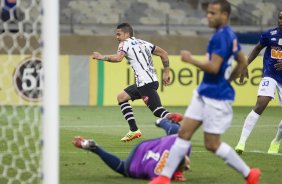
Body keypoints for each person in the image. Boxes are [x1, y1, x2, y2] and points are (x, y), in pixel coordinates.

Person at [149, 1, 261, 184]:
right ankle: (164, 177)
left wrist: (190, 60)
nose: (209, 16)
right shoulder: (228, 35)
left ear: (224, 15)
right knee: (183, 133)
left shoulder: (221, 37)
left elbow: (214, 67)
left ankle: (249, 174)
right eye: (208, 12)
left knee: (212, 144)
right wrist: (234, 76)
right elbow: (241, 59)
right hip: (203, 93)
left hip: (216, 98)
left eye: (213, 13)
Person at [92, 23, 182, 142]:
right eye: (116, 35)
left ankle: (181, 131)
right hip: (149, 81)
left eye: (119, 34)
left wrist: (101, 57)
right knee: (121, 97)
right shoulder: (144, 43)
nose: (117, 37)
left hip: (145, 83)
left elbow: (118, 58)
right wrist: (166, 73)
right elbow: (164, 53)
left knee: (158, 111)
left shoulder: (124, 43)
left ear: (127, 34)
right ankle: (134, 130)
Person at [72, 118, 191, 181]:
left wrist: (177, 171)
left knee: (178, 133)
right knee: (123, 168)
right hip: (135, 164)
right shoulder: (158, 171)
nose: (188, 166)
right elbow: (156, 174)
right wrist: (174, 175)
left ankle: (162, 121)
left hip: (144, 146)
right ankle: (95, 148)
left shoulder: (183, 145)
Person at [235, 10, 282, 155]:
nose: (281, 21)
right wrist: (245, 65)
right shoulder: (270, 34)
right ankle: (241, 142)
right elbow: (257, 48)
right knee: (261, 102)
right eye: (280, 18)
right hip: (270, 75)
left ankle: (276, 141)